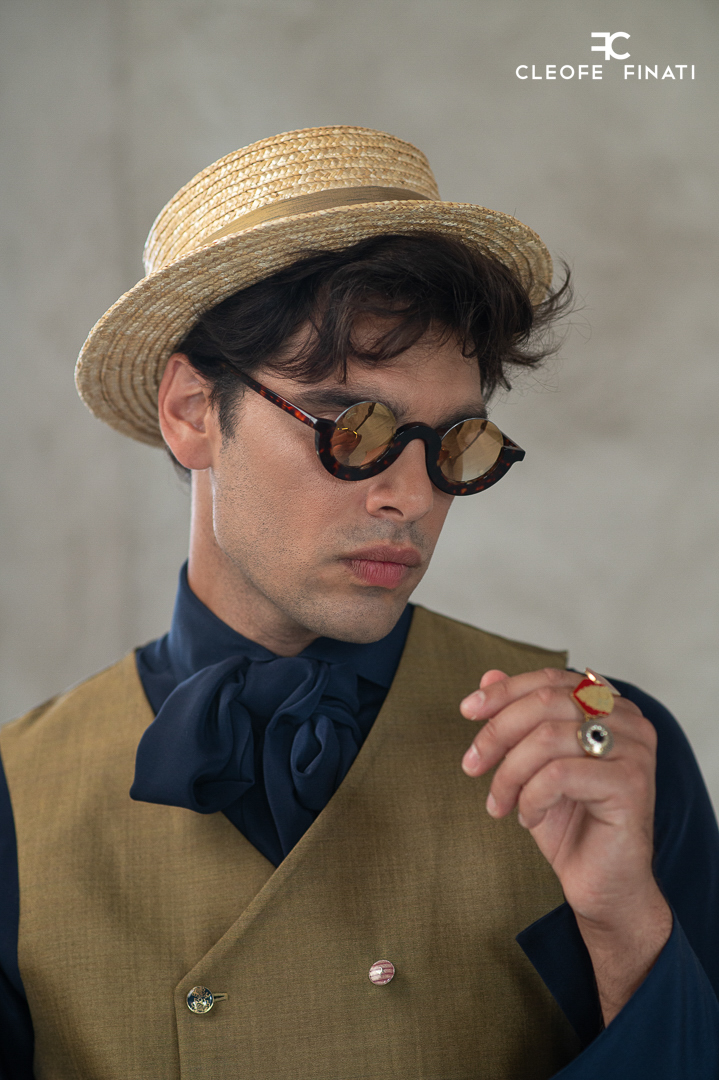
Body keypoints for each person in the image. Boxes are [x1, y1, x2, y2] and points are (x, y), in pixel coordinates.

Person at [1, 126, 717, 1080]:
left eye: (455, 444)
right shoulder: (13, 799)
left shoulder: (605, 755)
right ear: (191, 411)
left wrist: (626, 924)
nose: (411, 497)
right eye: (351, 427)